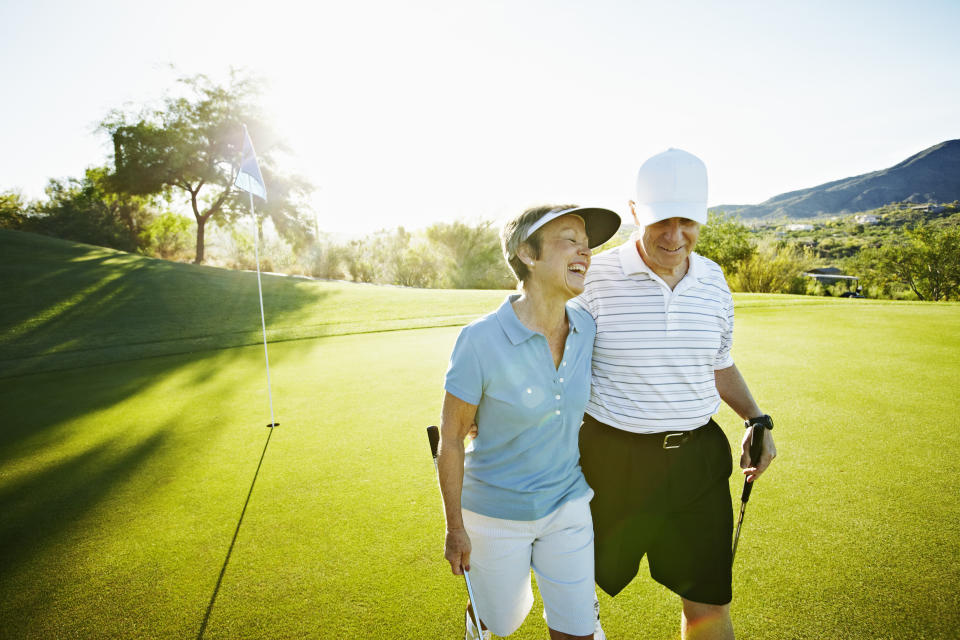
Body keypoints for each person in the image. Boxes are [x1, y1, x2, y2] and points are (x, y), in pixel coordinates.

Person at [574, 149, 777, 640]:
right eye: (662, 220)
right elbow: (548, 359)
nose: (674, 235)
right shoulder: (594, 279)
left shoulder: (713, 280)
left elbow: (719, 363)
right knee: (574, 598)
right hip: (609, 462)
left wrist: (755, 417)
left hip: (696, 464)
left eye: (687, 221)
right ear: (636, 211)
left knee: (708, 606)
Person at [437, 204, 620, 640]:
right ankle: (478, 618)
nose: (585, 251)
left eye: (587, 242)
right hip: (496, 513)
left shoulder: (587, 328)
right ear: (528, 253)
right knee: (499, 623)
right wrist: (455, 528)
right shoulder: (479, 339)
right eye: (570, 239)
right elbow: (451, 438)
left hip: (569, 505)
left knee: (579, 631)